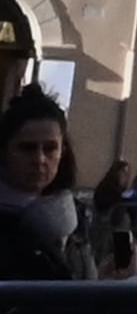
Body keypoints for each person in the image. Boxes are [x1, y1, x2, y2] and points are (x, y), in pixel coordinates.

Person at [0, 102, 78, 284]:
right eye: (27, 148)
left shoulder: (74, 216)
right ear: (4, 151)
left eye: (50, 148)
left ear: (63, 151)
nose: (39, 159)